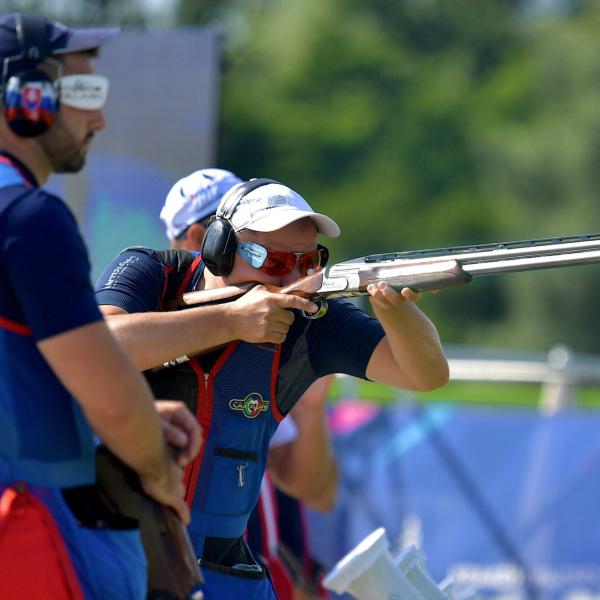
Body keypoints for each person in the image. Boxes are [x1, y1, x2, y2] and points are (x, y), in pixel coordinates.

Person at [95, 176, 449, 600]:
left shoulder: (311, 323)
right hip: (114, 552)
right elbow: (100, 346)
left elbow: (425, 375)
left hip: (224, 571)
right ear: (219, 249)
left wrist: (398, 313)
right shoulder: (154, 273)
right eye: (277, 262)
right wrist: (229, 321)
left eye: (310, 262)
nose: (294, 278)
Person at [0, 13, 200, 600]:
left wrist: (121, 414)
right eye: (85, 92)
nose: (99, 118)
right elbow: (112, 402)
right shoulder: (30, 219)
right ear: (25, 97)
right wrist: (160, 471)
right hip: (34, 527)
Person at [160, 168, 337, 599]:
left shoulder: (273, 341)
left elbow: (315, 490)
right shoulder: (153, 319)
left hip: (252, 570)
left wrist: (311, 411)